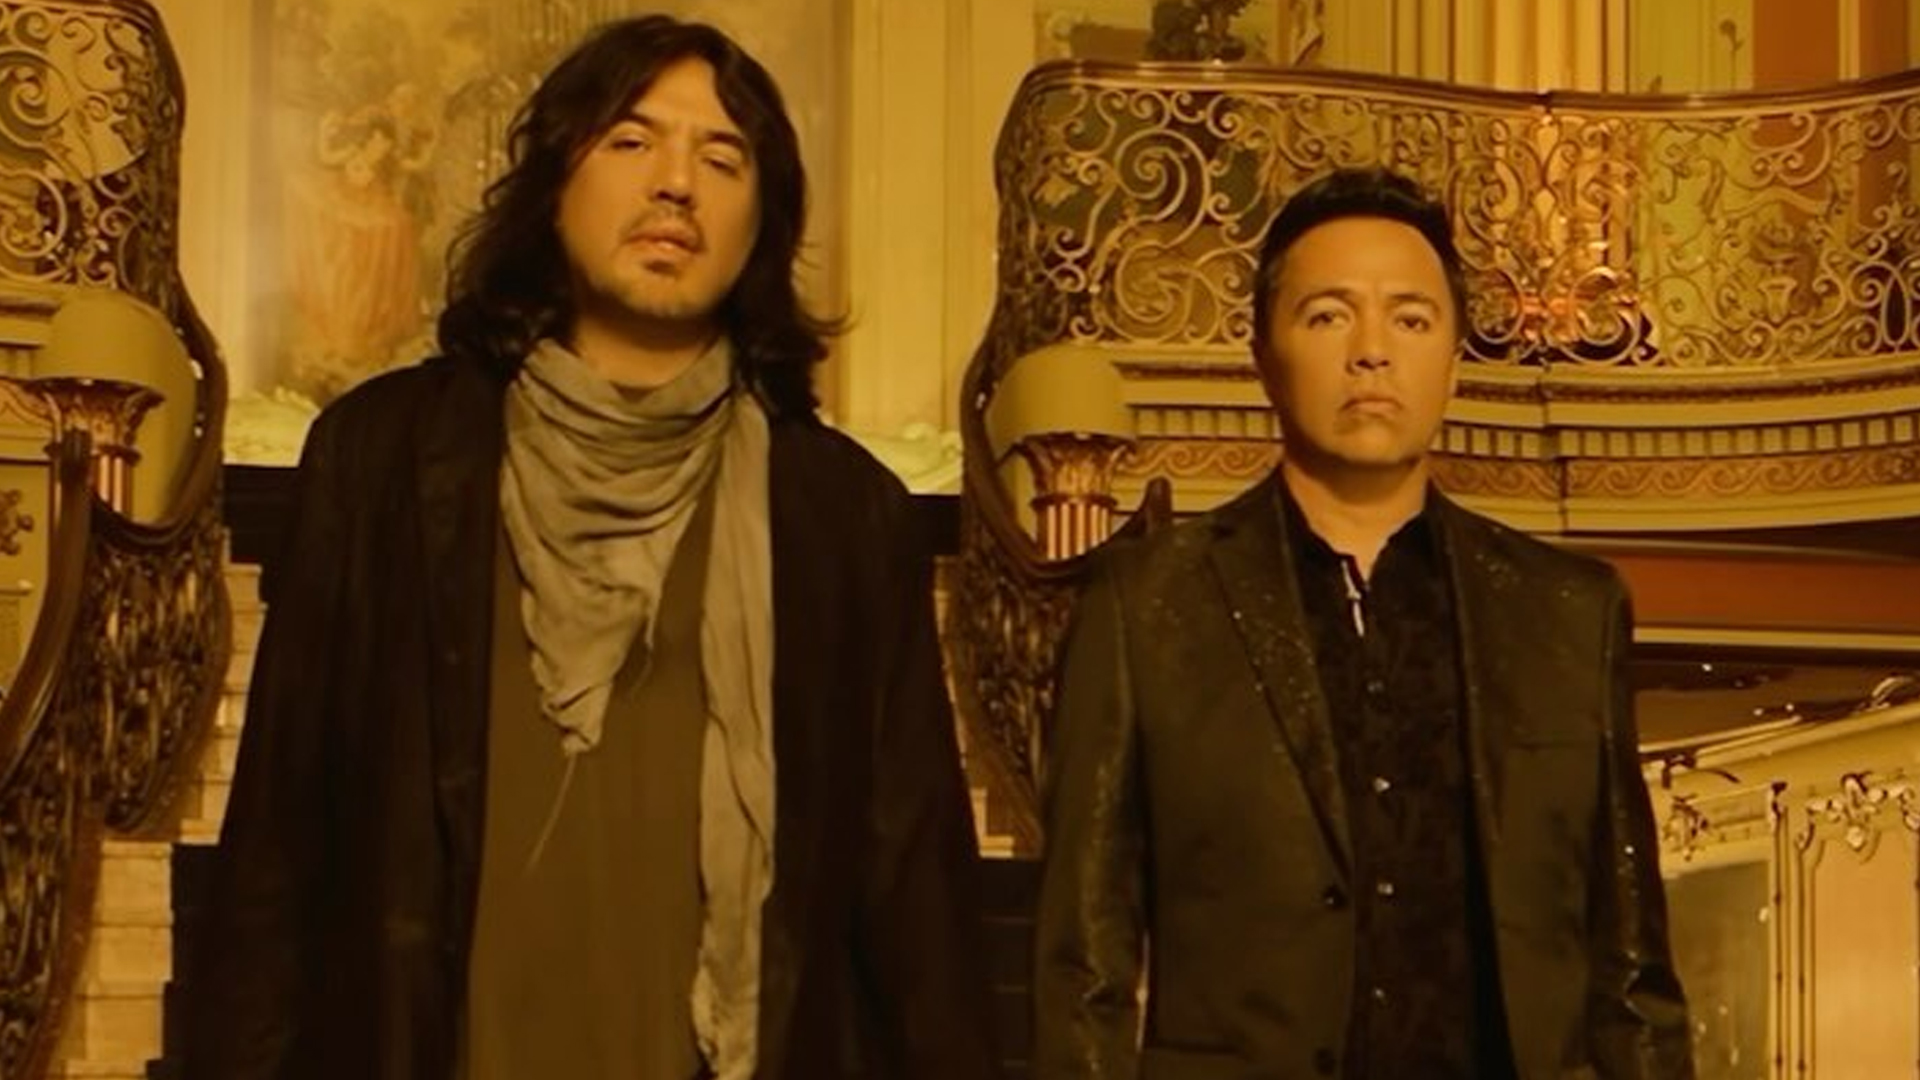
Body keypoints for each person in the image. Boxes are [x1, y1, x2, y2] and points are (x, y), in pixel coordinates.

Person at [187, 16, 997, 1080]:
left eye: (722, 158)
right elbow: (278, 853)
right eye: (632, 140)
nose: (676, 184)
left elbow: (915, 902)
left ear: (763, 220)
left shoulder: (843, 517)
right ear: (555, 180)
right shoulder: (384, 463)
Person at [1032, 167, 1692, 1079]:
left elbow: (1631, 968)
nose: (1372, 352)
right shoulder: (1148, 604)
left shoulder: (1568, 612)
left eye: (1411, 320)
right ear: (1264, 354)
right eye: (1328, 316)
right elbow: (1084, 962)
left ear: (1453, 359)